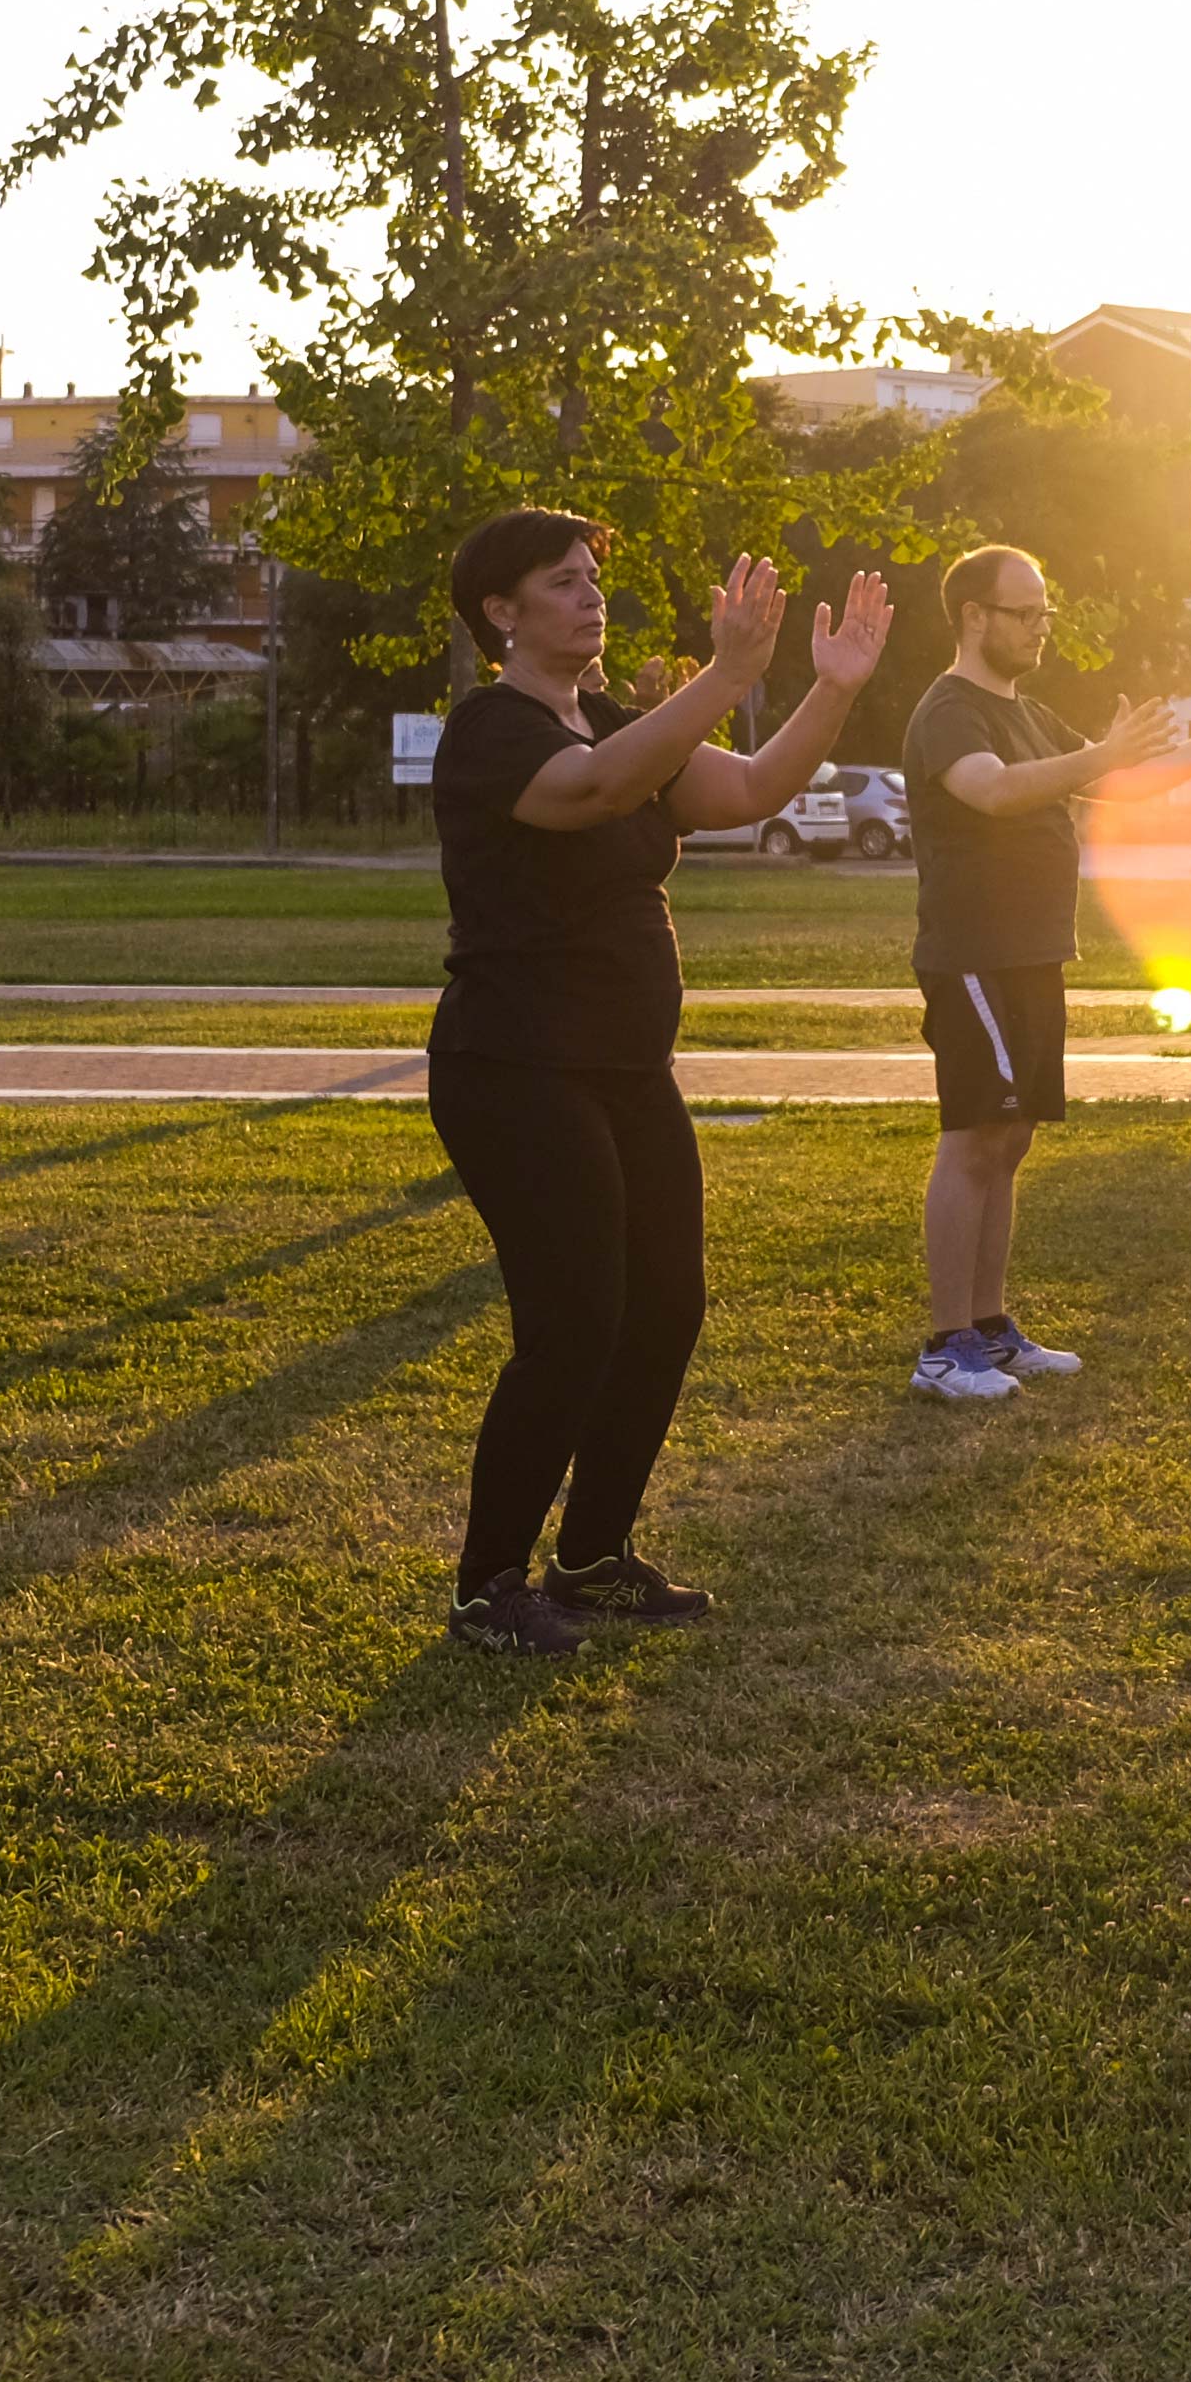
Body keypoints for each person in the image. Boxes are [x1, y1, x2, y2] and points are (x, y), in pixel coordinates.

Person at [425, 510, 889, 1653]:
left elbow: (749, 791)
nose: (589, 598)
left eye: (594, 578)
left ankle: (590, 1559)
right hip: (515, 1068)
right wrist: (727, 672)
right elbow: (588, 790)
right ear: (502, 610)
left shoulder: (619, 722)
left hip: (626, 1070)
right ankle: (491, 1583)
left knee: (664, 1307)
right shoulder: (489, 730)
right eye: (562, 583)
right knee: (573, 1321)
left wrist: (829, 688)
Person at [898, 545, 1191, 1401]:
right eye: (1025, 613)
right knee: (972, 1138)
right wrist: (1097, 757)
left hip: (1033, 955)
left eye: (1045, 613)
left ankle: (990, 1330)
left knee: (1013, 1136)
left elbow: (1127, 783)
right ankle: (943, 1346)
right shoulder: (949, 712)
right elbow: (994, 792)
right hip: (973, 957)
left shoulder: (1028, 712)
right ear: (974, 617)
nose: (1040, 628)